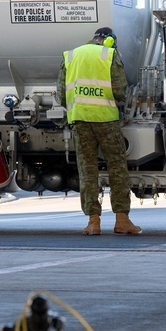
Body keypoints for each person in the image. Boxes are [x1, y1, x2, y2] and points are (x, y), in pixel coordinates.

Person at [57, 26, 141, 235]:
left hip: (80, 120)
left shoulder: (71, 55)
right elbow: (120, 91)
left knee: (87, 170)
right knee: (117, 169)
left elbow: (61, 94)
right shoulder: (109, 54)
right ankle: (122, 220)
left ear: (94, 38)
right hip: (106, 120)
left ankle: (93, 222)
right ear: (110, 40)